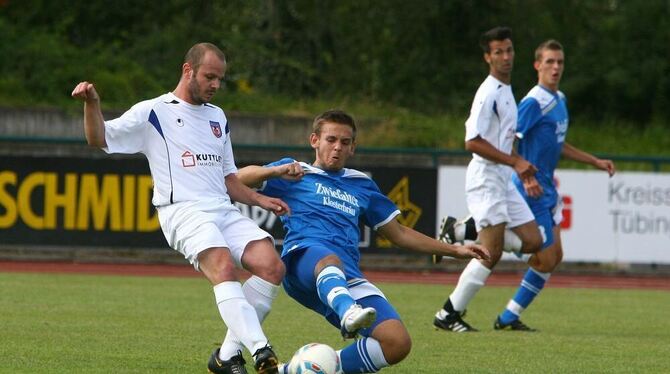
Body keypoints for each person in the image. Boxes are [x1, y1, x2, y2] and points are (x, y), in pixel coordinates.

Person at [72, 42, 289, 374]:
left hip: (222, 208)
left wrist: (260, 200)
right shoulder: (154, 111)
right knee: (222, 267)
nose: (216, 85)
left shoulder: (218, 117)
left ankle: (226, 357)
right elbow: (99, 138)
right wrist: (93, 104)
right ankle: (262, 350)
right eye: (209, 77)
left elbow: (228, 177)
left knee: (271, 266)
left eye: (220, 79)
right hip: (182, 211)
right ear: (188, 71)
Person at [236, 110, 490, 373]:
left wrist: (454, 249)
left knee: (396, 343)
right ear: (315, 140)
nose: (337, 147)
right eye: (331, 139)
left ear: (353, 147)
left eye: (345, 142)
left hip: (345, 276)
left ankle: (297, 370)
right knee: (328, 260)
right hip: (303, 261)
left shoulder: (361, 185)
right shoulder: (296, 172)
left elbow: (399, 234)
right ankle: (347, 312)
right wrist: (274, 171)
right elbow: (237, 180)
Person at [490, 40, 616, 330]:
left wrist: (594, 161)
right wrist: (526, 175)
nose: (556, 67)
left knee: (554, 256)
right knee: (545, 256)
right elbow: (509, 142)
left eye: (559, 62)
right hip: (529, 189)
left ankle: (508, 317)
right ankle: (473, 235)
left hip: (546, 189)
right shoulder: (533, 102)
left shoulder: (559, 99)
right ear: (537, 65)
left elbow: (558, 144)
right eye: (549, 62)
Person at [432, 26, 543, 332]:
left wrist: (515, 164)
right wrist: (516, 161)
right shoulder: (489, 92)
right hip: (486, 177)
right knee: (490, 253)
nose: (505, 57)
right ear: (487, 57)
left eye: (509, 50)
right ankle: (448, 314)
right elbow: (472, 142)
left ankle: (461, 230)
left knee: (534, 241)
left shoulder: (507, 90)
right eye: (498, 52)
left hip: (503, 178)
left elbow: (505, 138)